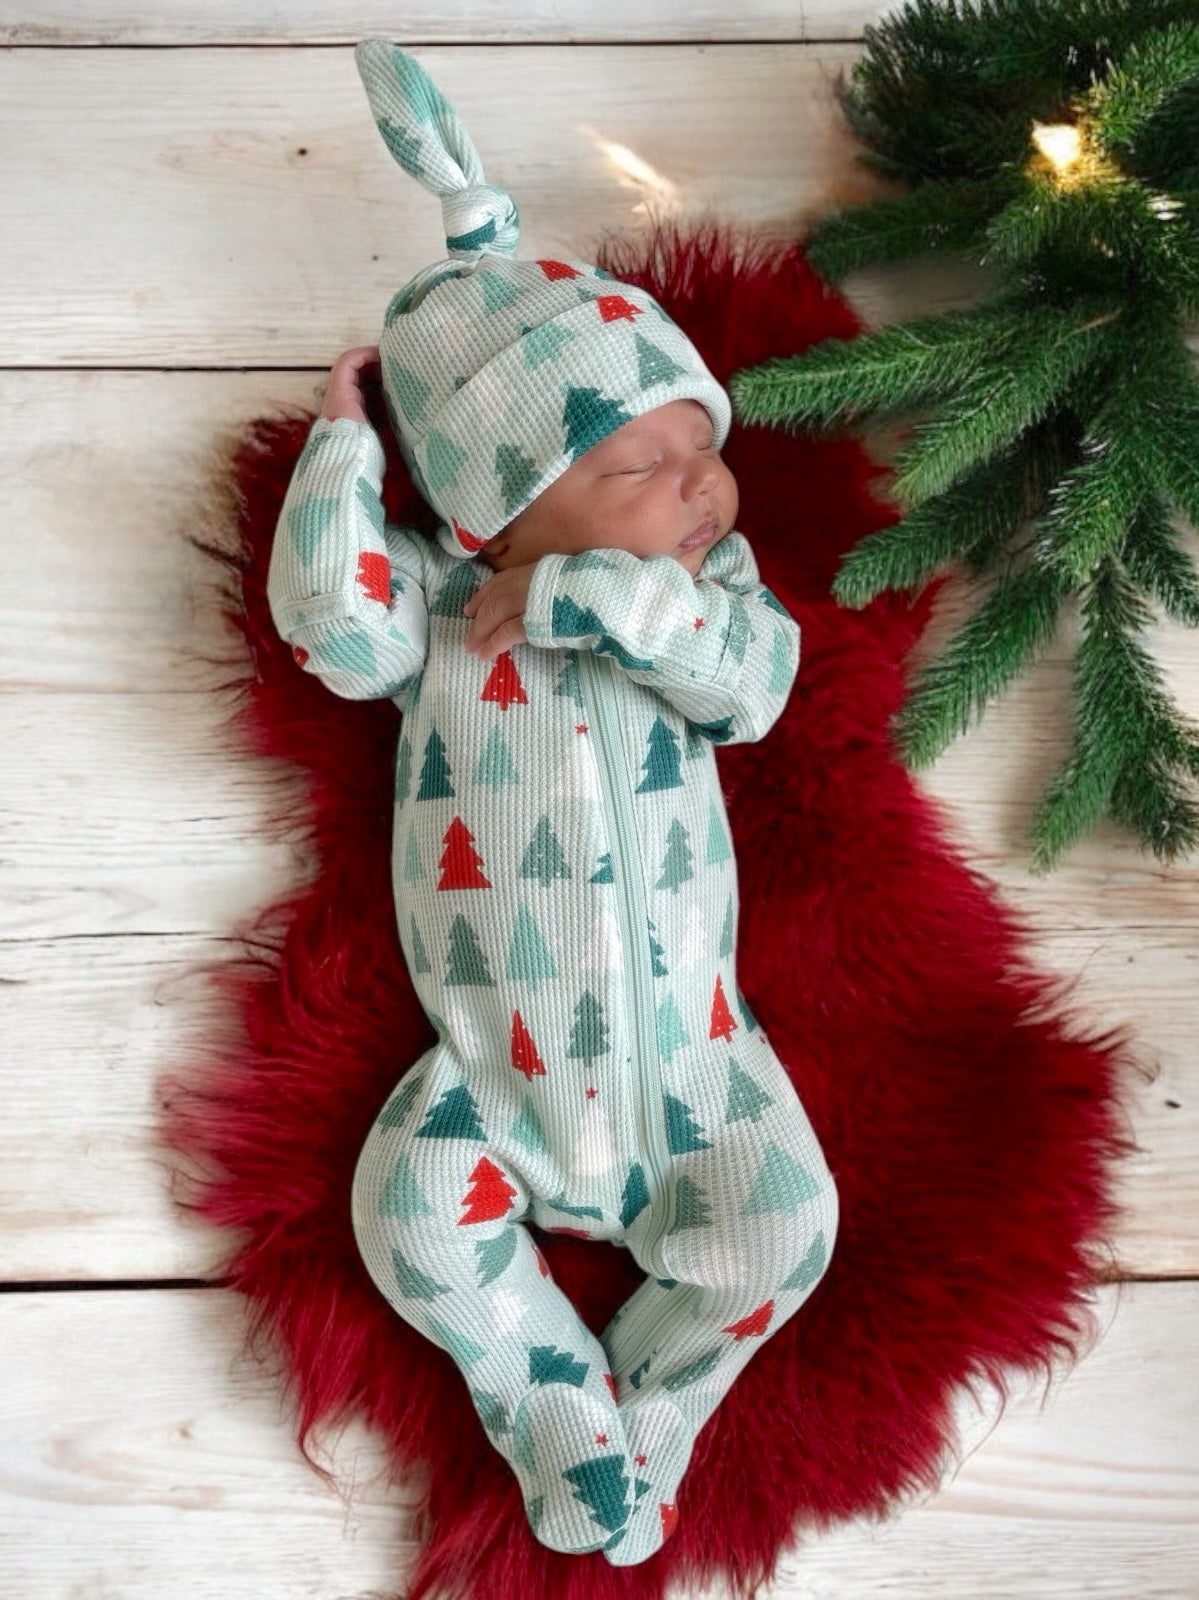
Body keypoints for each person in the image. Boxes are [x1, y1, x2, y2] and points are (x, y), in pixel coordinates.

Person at [266, 40, 837, 1566]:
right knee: (409, 1229)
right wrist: (337, 452)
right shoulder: (443, 614)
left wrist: (616, 593)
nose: (697, 482)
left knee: (788, 1230)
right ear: (497, 509)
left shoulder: (704, 600)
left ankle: (650, 1406)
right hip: (492, 1079)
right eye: (639, 462)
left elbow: (755, 688)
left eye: (698, 443)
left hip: (699, 1061)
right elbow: (329, 627)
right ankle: (550, 1403)